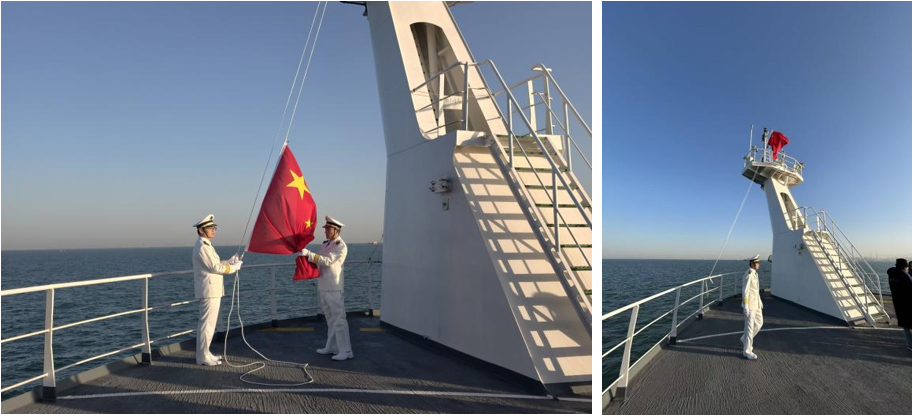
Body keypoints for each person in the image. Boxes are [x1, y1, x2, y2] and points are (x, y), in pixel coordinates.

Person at [192, 214, 242, 366]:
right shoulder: (202, 246)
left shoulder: (206, 245)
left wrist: (228, 262)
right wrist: (233, 268)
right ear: (201, 230)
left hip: (212, 290)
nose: (213, 230)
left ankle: (206, 353)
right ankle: (202, 357)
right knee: (206, 325)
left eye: (214, 227)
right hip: (209, 291)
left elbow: (215, 263)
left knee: (210, 324)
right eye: (210, 228)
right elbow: (214, 267)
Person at [301, 216, 352, 361]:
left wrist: (309, 254)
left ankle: (346, 350)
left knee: (339, 319)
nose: (325, 231)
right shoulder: (326, 244)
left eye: (328, 229)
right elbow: (319, 261)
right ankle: (333, 346)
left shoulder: (341, 246)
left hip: (334, 287)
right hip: (323, 285)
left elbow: (328, 261)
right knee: (330, 318)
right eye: (325, 229)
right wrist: (306, 257)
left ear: (336, 230)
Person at [740, 255, 764, 360]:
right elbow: (745, 291)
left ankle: (744, 339)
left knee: (759, 323)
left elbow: (755, 290)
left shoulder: (755, 274)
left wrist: (760, 301)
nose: (758, 264)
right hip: (750, 305)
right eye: (757, 263)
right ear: (752, 264)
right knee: (749, 328)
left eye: (758, 262)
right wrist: (745, 306)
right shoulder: (749, 274)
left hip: (756, 304)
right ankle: (747, 351)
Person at [887, 258, 911, 349]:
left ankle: (910, 344)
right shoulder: (904, 276)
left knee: (906, 325)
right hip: (908, 302)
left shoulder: (892, 275)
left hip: (898, 302)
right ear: (904, 267)